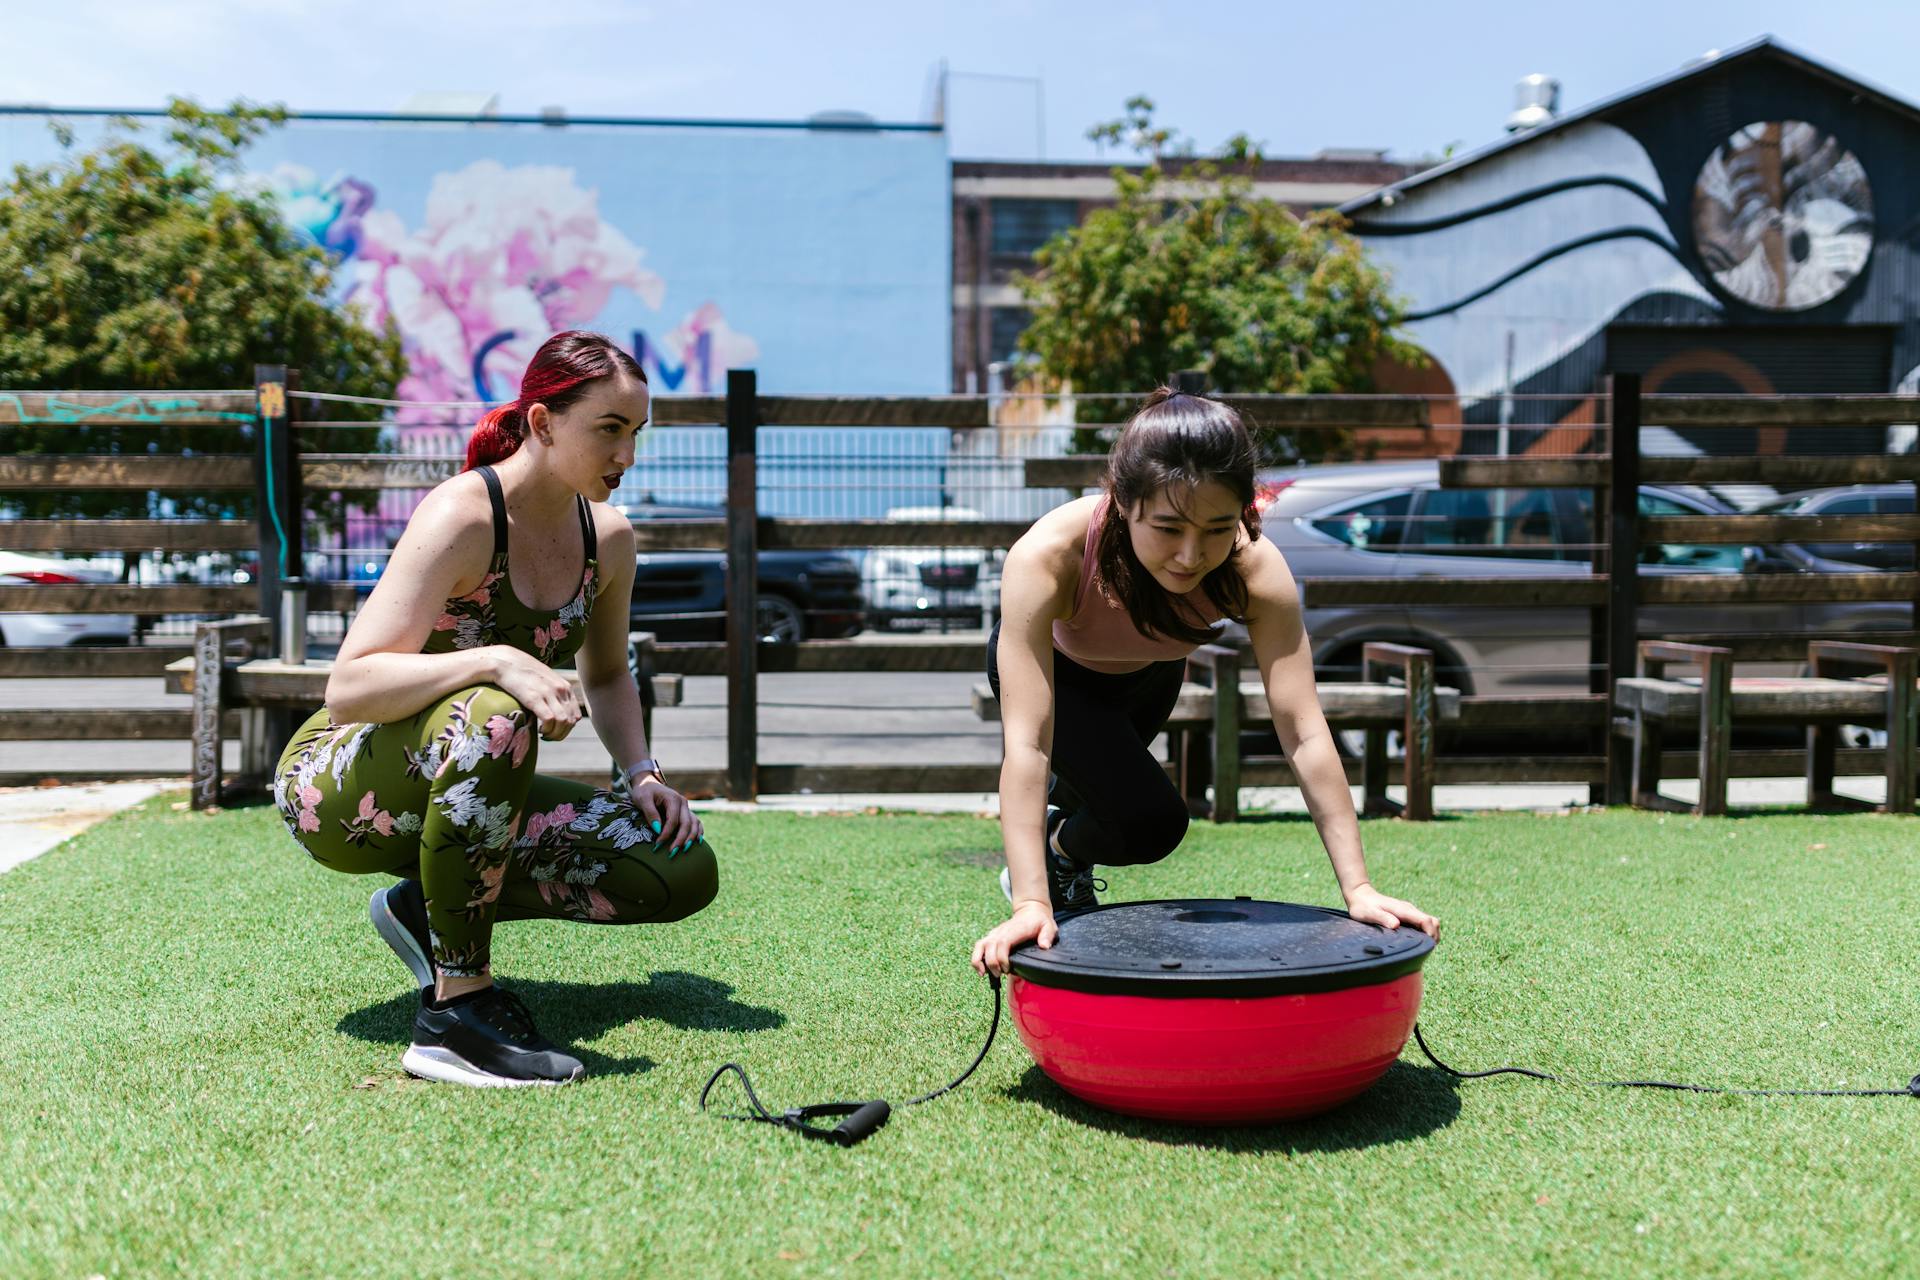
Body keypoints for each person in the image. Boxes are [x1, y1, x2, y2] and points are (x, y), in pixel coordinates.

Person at [274, 330, 717, 1087]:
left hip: (476, 782)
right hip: (340, 782)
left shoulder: (608, 538)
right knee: (494, 710)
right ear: (543, 423)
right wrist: (496, 658)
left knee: (677, 868)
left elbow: (607, 674)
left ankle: (425, 911)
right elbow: (349, 687)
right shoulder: (463, 516)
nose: (626, 456)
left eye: (636, 433)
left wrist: (642, 773)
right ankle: (455, 1014)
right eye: (608, 430)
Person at [971, 388, 1438, 977]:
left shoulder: (1254, 568)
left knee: (1096, 805)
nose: (1191, 555)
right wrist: (1029, 906)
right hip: (1060, 675)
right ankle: (1044, 873)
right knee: (1151, 823)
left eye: (1217, 528)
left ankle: (1060, 851)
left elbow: (1303, 730)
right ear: (1121, 502)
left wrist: (1360, 889)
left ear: (1245, 511)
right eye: (1167, 528)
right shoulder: (1049, 555)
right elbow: (1029, 745)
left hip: (1149, 675)